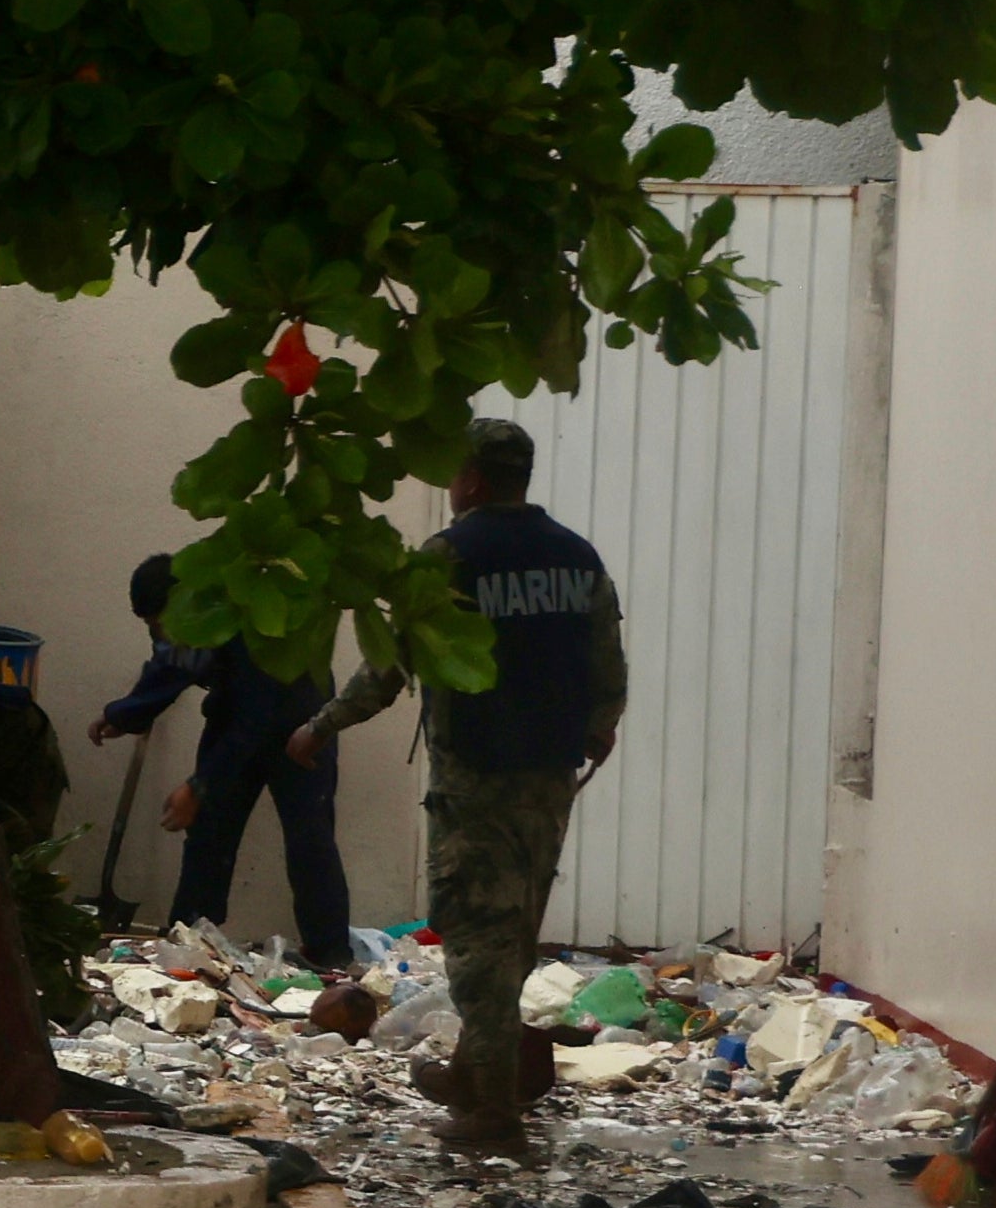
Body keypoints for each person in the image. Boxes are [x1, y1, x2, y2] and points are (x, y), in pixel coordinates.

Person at [290, 414, 626, 1153]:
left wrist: (320, 726)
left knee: (476, 942)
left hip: (475, 779)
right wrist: (597, 728)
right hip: (548, 780)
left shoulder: (448, 557)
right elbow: (609, 665)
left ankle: (494, 1113)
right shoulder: (577, 558)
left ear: (469, 478)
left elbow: (387, 667)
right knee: (513, 934)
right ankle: (473, 1076)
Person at [96, 550, 350, 968]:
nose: (159, 635)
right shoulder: (192, 623)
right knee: (209, 834)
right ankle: (190, 939)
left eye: (158, 624)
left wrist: (199, 786)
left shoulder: (244, 619)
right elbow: (171, 666)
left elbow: (252, 722)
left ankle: (331, 954)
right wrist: (124, 714)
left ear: (182, 605)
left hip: (299, 723)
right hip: (236, 713)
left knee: (309, 838)